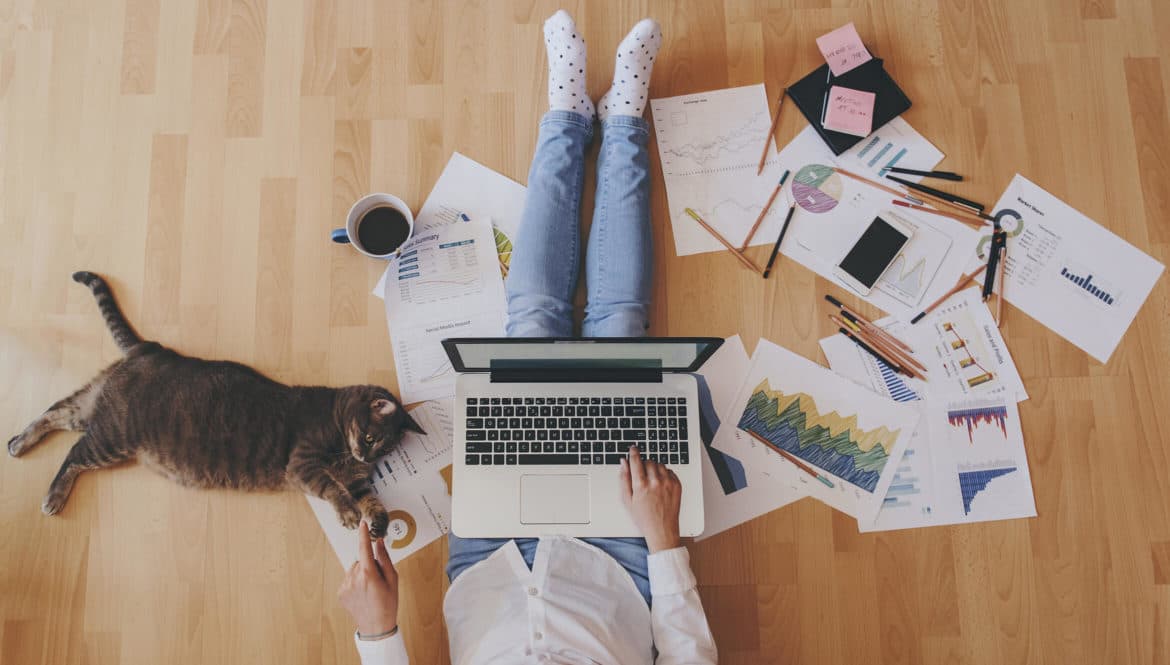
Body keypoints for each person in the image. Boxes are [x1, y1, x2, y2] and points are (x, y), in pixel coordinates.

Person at [338, 11, 718, 664]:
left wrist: (377, 634)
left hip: (490, 555)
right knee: (619, 325)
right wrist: (664, 543)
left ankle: (567, 113)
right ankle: (625, 119)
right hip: (620, 555)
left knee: (535, 322)